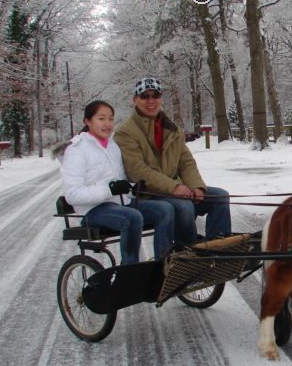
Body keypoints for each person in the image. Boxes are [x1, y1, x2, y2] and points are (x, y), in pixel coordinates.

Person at [114, 77, 231, 247]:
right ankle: (188, 253)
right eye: (144, 96)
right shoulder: (125, 132)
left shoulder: (173, 129)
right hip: (148, 196)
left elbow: (186, 163)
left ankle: (218, 248)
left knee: (219, 196)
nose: (151, 101)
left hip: (173, 192)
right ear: (135, 100)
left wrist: (197, 186)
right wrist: (174, 187)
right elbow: (137, 170)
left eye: (155, 95)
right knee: (183, 206)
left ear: (161, 98)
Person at [58, 100, 174, 263]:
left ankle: (163, 265)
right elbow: (72, 194)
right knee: (132, 217)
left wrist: (133, 187)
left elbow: (120, 181)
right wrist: (109, 190)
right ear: (87, 122)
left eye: (111, 119)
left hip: (120, 203)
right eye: (101, 119)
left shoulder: (113, 146)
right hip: (93, 210)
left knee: (165, 209)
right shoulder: (76, 150)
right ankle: (129, 271)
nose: (107, 124)